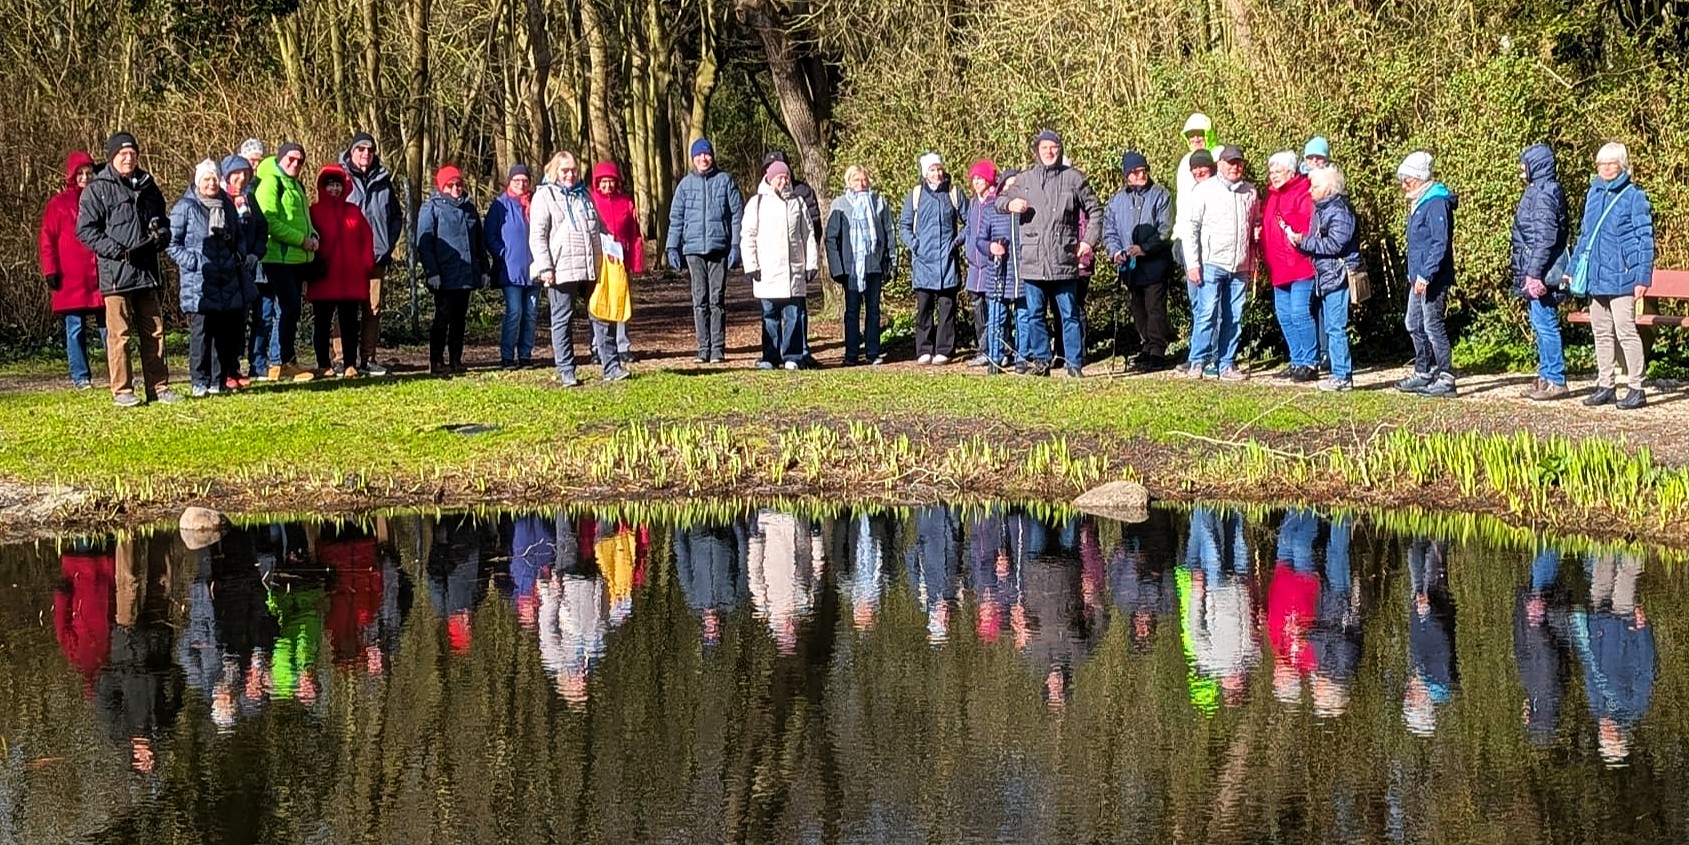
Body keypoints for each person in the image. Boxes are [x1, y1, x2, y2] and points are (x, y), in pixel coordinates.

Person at [76, 132, 179, 406]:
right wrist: (116, 251)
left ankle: (159, 387)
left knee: (155, 331)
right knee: (119, 336)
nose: (128, 158)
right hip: (116, 274)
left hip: (146, 272)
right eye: (123, 154)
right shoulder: (97, 189)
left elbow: (162, 218)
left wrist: (163, 234)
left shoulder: (147, 184)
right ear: (112, 157)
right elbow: (85, 230)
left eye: (132, 153)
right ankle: (122, 390)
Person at [997, 130, 1103, 378]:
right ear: (1037, 151)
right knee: (1035, 314)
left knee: (1069, 315)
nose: (1049, 151)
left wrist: (1088, 241)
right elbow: (998, 200)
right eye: (1044, 147)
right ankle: (1042, 361)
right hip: (1033, 261)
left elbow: (1096, 211)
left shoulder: (1074, 179)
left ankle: (1074, 363)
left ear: (1060, 149)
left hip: (1064, 260)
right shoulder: (1024, 180)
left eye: (1053, 147)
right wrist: (1010, 205)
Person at [1567, 142, 1655, 410]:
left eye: (1610, 163)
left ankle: (1636, 388)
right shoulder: (1592, 193)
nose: (1605, 168)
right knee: (1601, 332)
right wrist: (1572, 271)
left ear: (1622, 165)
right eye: (1601, 163)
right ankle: (1606, 385)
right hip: (1596, 276)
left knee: (1626, 332)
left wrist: (1642, 277)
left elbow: (1645, 239)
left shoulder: (1634, 196)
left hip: (1623, 276)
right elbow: (1584, 236)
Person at [531, 151, 622, 386]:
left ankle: (611, 366)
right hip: (561, 270)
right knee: (562, 320)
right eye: (565, 170)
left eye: (573, 170)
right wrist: (545, 268)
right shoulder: (544, 196)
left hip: (592, 267)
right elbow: (537, 236)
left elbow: (599, 228)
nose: (570, 175)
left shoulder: (585, 195)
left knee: (602, 316)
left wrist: (612, 249)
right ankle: (566, 370)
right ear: (555, 171)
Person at [168, 159, 249, 397]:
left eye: (214, 178)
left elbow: (239, 236)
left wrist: (240, 255)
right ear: (198, 182)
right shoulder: (185, 207)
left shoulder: (227, 205)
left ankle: (218, 380)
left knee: (223, 335)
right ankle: (199, 381)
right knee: (201, 334)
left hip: (226, 279)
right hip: (199, 282)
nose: (211, 183)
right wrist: (192, 262)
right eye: (206, 179)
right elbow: (172, 243)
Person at [1181, 145, 1258, 381]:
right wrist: (1193, 264)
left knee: (1234, 316)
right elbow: (1190, 228)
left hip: (1240, 266)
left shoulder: (1251, 192)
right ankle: (1197, 361)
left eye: (1238, 163)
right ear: (1220, 165)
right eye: (1230, 162)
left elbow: (1254, 227)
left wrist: (1253, 261)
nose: (1235, 167)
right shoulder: (1204, 190)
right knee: (1206, 313)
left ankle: (1226, 363)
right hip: (1212, 262)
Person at [666, 139, 744, 363]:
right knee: (699, 299)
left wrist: (736, 245)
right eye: (699, 155)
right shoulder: (684, 186)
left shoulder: (725, 181)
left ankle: (718, 348)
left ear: (712, 156)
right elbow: (676, 218)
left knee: (716, 299)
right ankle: (703, 348)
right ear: (693, 159)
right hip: (693, 249)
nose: (703, 159)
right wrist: (672, 246)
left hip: (719, 247)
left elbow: (737, 215)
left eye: (707, 155)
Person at [338, 133, 405, 376]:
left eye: (370, 150)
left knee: (373, 308)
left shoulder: (384, 180)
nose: (366, 154)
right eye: (361, 149)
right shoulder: (339, 178)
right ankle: (341, 358)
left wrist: (388, 243)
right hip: (347, 256)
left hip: (377, 255)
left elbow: (396, 215)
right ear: (351, 152)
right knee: (344, 307)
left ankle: (368, 357)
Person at [1394, 151, 1459, 397]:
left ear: (1420, 178)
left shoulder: (1435, 202)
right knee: (1413, 323)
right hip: (1418, 277)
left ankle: (1446, 376)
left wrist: (1426, 275)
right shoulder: (1418, 202)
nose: (1403, 184)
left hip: (1432, 277)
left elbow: (1439, 243)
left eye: (1407, 179)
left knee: (1433, 325)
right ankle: (1423, 371)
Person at [742, 160, 818, 370]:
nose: (783, 181)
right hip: (766, 271)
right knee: (769, 316)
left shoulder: (799, 202)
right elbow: (748, 236)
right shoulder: (756, 203)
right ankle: (770, 356)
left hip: (793, 270)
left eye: (786, 177)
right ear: (770, 177)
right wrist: (750, 265)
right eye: (779, 177)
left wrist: (811, 264)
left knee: (793, 315)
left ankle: (792, 356)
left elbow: (808, 235)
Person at [1289, 165, 1359, 391]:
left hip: (1337, 275)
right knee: (1331, 327)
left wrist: (1304, 242)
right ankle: (1339, 373)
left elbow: (1335, 244)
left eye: (1315, 186)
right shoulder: (1323, 209)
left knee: (1335, 327)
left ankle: (1342, 375)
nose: (1310, 190)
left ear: (1329, 188)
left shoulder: (1339, 211)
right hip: (1327, 275)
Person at [1102, 150, 1174, 372]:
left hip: (1154, 265)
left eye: (1143, 170)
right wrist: (1115, 252)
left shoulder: (1161, 195)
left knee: (1154, 308)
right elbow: (1109, 230)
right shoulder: (1116, 201)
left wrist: (1144, 249)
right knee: (1138, 308)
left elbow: (1166, 228)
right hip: (1130, 268)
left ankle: (1157, 351)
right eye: (1134, 171)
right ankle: (1146, 345)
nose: (1140, 174)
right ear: (1126, 175)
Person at [253, 142, 319, 382]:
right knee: (285, 308)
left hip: (296, 259)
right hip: (277, 257)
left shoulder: (296, 185)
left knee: (291, 309)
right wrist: (301, 240)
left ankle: (286, 361)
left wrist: (313, 236)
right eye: (291, 159)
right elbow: (268, 221)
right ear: (280, 158)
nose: (295, 164)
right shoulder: (272, 182)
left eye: (300, 161)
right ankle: (279, 361)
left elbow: (304, 219)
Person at [39, 150, 104, 390]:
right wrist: (50, 270)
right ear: (72, 176)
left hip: (99, 275)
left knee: (109, 327)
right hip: (71, 277)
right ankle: (81, 377)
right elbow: (47, 239)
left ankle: (118, 372)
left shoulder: (101, 199)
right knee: (74, 328)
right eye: (81, 173)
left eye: (89, 173)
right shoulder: (59, 204)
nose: (86, 177)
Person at [1511, 144, 1570, 401]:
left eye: (1524, 163)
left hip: (1542, 272)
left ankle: (1556, 380)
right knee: (1539, 322)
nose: (1521, 168)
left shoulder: (1545, 193)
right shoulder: (1537, 191)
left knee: (1546, 325)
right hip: (1535, 268)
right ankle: (1545, 378)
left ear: (1536, 164)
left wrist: (1533, 274)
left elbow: (1545, 238)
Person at [415, 164, 486, 375]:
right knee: (442, 318)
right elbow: (424, 244)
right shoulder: (431, 209)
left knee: (459, 319)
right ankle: (436, 360)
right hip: (443, 275)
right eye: (451, 185)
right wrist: (432, 272)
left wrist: (483, 269)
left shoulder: (469, 210)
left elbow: (478, 242)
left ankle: (456, 359)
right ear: (442, 186)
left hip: (466, 274)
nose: (456, 188)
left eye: (459, 184)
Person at [307, 164, 376, 377]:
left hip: (351, 278)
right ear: (323, 187)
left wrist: (366, 264)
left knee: (349, 324)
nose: (334, 189)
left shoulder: (354, 211)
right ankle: (323, 363)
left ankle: (349, 364)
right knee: (322, 323)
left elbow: (366, 238)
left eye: (338, 185)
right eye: (330, 185)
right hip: (325, 277)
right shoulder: (313, 211)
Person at [824, 164, 895, 365]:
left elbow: (889, 231)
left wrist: (891, 260)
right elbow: (831, 238)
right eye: (857, 180)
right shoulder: (839, 204)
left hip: (874, 264)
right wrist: (837, 269)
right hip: (851, 267)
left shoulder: (879, 202)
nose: (861, 184)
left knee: (873, 309)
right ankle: (851, 354)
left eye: (864, 180)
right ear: (849, 182)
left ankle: (873, 352)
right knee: (852, 310)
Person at [900, 152, 967, 364]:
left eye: (939, 168)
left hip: (947, 261)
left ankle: (945, 350)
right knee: (924, 308)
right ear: (925, 172)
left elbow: (970, 221)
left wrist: (957, 242)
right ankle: (924, 350)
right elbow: (904, 226)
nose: (937, 173)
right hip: (923, 261)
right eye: (932, 169)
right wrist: (914, 244)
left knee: (947, 307)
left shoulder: (954, 193)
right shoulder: (916, 195)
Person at [1262, 150, 1318, 382]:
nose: (1273, 176)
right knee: (1284, 315)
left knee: (1300, 313)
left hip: (1300, 264)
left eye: (1278, 171)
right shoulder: (1272, 195)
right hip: (1278, 266)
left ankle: (1310, 362)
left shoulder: (1303, 191)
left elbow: (1307, 224)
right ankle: (1296, 360)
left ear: (1291, 172)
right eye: (1271, 171)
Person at [220, 156, 267, 390]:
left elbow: (262, 228)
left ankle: (235, 368)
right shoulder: (219, 198)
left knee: (240, 321)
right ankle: (223, 371)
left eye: (245, 174)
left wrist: (255, 254)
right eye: (236, 174)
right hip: (224, 270)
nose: (240, 178)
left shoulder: (249, 199)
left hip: (245, 270)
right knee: (225, 323)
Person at [589, 161, 643, 364]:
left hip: (620, 261)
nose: (607, 186)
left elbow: (634, 234)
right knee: (598, 304)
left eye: (611, 181)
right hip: (598, 262)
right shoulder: (590, 201)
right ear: (597, 183)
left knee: (621, 301)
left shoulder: (626, 203)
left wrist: (635, 262)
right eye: (603, 182)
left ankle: (622, 345)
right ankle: (597, 346)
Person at [970, 166, 1023, 373]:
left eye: (1016, 185)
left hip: (1021, 273)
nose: (1012, 189)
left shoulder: (1027, 212)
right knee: (996, 317)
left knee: (1023, 317)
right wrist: (991, 248)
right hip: (997, 272)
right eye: (1008, 185)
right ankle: (994, 357)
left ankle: (1022, 358)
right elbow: (979, 240)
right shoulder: (992, 210)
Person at [485, 164, 537, 369]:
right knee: (514, 311)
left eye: (525, 181)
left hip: (534, 269)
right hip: (510, 269)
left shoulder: (536, 204)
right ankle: (507, 355)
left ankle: (525, 355)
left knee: (531, 313)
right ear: (510, 182)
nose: (521, 184)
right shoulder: (500, 205)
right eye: (517, 181)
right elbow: (489, 235)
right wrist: (502, 254)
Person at [963, 159, 1001, 367]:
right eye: (974, 179)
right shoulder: (973, 203)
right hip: (974, 266)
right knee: (978, 308)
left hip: (990, 263)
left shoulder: (996, 201)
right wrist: (960, 242)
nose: (976, 182)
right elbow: (970, 228)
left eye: (980, 178)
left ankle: (996, 349)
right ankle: (983, 348)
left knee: (993, 308)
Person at [1173, 114, 1218, 272]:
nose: (1196, 139)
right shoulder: (1185, 162)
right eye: (1191, 135)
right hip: (1189, 236)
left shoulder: (1220, 156)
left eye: (1200, 134)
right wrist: (1179, 233)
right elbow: (1182, 200)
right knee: (1195, 291)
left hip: (1214, 239)